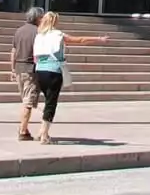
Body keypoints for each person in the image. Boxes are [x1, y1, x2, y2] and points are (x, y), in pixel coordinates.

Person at [30, 12, 108, 144]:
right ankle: (44, 134)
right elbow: (79, 40)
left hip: (40, 71)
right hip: (53, 70)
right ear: (54, 22)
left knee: (48, 100)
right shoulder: (58, 34)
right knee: (51, 102)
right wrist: (98, 39)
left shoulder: (39, 36)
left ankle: (42, 130)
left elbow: (35, 56)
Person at [8, 5, 47, 142]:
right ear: (38, 18)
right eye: (42, 17)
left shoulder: (19, 31)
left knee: (25, 99)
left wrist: (12, 69)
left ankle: (23, 128)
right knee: (28, 102)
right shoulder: (38, 32)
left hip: (19, 68)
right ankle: (22, 130)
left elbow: (13, 51)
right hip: (31, 70)